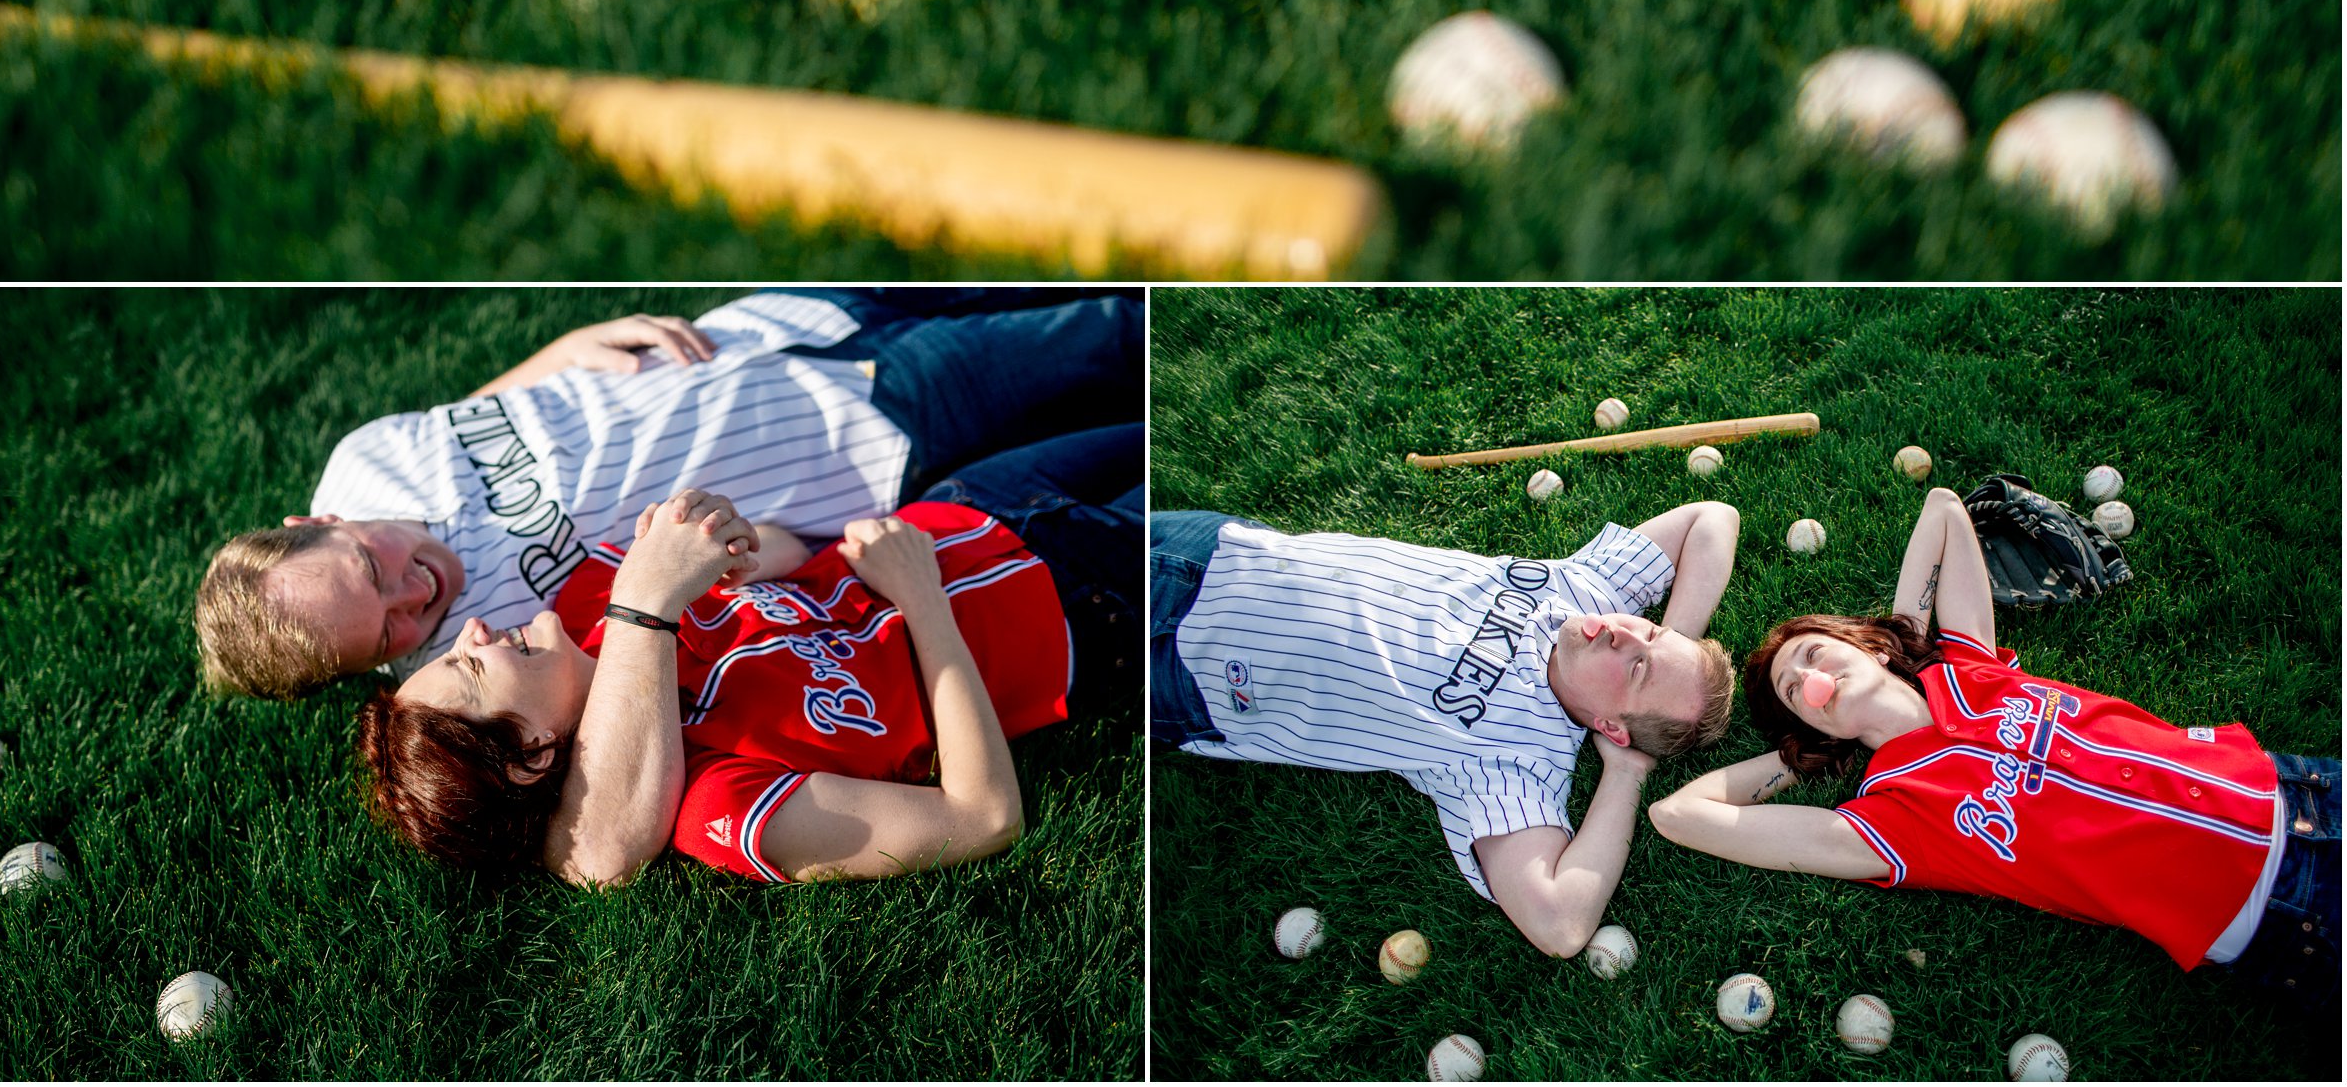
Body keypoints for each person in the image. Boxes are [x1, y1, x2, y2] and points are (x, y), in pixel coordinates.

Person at [193, 289, 1140, 699]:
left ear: (317, 521)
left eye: (373, 564)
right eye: (389, 629)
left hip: (778, 322)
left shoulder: (362, 462)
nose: (416, 595)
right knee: (1110, 335)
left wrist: (556, 356)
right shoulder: (477, 658)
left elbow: (470, 415)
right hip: (868, 428)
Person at [1647, 484, 2339, 1025]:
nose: (1807, 680)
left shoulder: (1969, 668)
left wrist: (1895, 641)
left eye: (1809, 654)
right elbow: (1678, 813)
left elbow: (1944, 510)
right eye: (1793, 693)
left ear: (1859, 641)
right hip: (2279, 906)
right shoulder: (1890, 821)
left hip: (2300, 785)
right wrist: (1802, 755)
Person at [356, 425, 1141, 889]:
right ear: (529, 753)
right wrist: (922, 603)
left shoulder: (597, 600)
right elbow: (983, 818)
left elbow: (795, 551)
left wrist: (737, 546)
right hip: (1086, 609)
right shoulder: (716, 805)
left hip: (974, 502)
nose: (472, 632)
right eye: (467, 667)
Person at [1151, 499, 1740, 958]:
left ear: (1611, 726)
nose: (1626, 632)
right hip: (1223, 547)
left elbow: (1561, 925)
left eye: (1637, 668)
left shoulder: (1516, 765)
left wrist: (1625, 771)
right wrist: (1676, 640)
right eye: (1651, 633)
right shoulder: (1588, 589)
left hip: (1189, 667)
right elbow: (1712, 519)